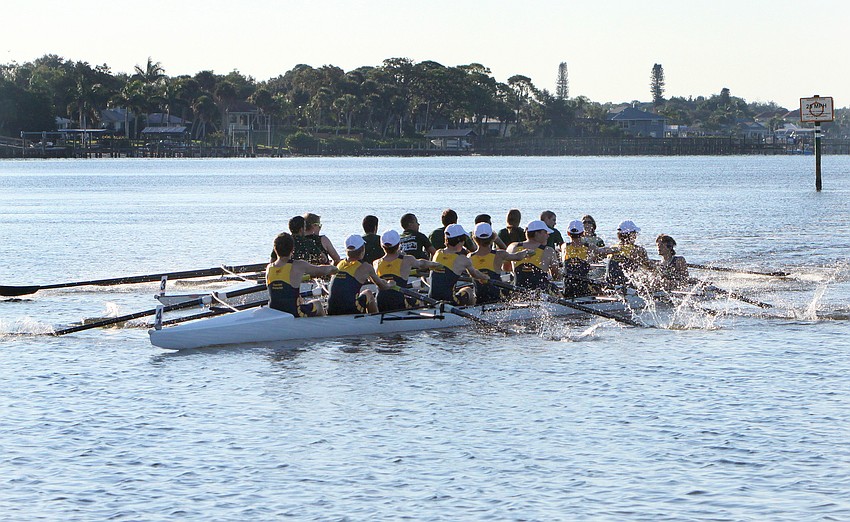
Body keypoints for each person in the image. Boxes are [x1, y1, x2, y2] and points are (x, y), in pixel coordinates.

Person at [267, 232, 338, 317]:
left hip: (274, 312)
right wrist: (334, 269)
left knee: (300, 299)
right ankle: (325, 327)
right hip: (294, 313)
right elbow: (320, 270)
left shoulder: (269, 268)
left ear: (275, 249)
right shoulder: (298, 265)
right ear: (292, 249)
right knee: (318, 304)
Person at [374, 229, 441, 312]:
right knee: (421, 301)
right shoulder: (407, 259)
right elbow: (421, 264)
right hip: (398, 302)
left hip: (380, 302)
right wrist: (435, 264)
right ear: (399, 244)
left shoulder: (376, 263)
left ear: (382, 245)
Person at [327, 234, 394, 315]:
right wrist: (390, 284)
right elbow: (383, 287)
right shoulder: (366, 267)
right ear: (363, 249)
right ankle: (375, 319)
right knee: (368, 293)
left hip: (331, 310)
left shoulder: (339, 264)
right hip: (349, 310)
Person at [468, 222, 532, 304]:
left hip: (479, 299)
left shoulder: (469, 256)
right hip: (496, 299)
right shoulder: (499, 254)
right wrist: (526, 252)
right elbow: (518, 257)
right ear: (492, 238)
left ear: (474, 238)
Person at [429, 224, 490, 306]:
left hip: (431, 300)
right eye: (464, 239)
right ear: (460, 240)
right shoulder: (464, 260)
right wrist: (485, 277)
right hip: (450, 301)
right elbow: (475, 274)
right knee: (468, 290)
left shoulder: (437, 253)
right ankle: (473, 313)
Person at [506, 220, 560, 291]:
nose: (548, 235)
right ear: (537, 233)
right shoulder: (548, 251)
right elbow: (556, 276)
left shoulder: (512, 247)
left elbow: (505, 268)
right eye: (545, 232)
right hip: (540, 294)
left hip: (518, 291)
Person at [606, 220, 651, 286]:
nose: (636, 235)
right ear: (631, 234)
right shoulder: (638, 250)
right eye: (635, 233)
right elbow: (648, 266)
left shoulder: (613, 248)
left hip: (610, 284)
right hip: (627, 285)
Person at [560, 220, 597, 297]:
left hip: (568, 288)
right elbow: (598, 254)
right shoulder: (590, 247)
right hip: (583, 287)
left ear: (568, 233)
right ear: (583, 233)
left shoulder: (564, 246)